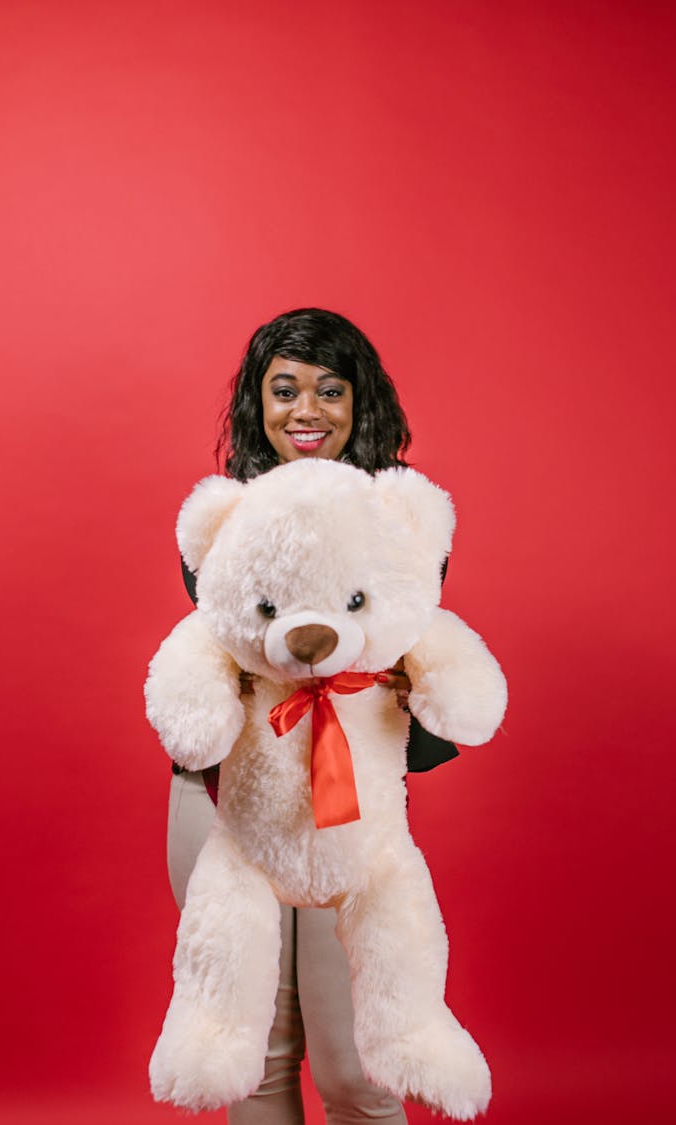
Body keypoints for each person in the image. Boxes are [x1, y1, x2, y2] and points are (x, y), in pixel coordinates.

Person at [165, 308, 458, 1125]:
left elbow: (415, 647)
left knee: (357, 1068)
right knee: (254, 1057)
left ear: (360, 403)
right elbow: (221, 646)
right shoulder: (223, 520)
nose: (307, 410)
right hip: (225, 797)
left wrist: (408, 688)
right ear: (255, 403)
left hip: (343, 802)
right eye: (284, 388)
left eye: (331, 390)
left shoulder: (399, 521)